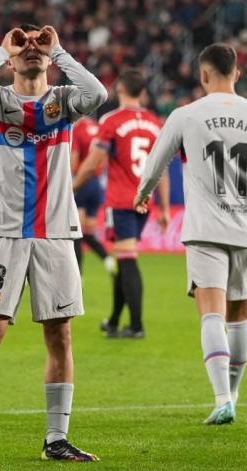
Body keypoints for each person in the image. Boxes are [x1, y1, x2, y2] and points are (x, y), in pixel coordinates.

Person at [0, 24, 106, 461]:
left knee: (61, 335)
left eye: (37, 47)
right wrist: (2, 51)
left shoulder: (62, 101)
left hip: (56, 233)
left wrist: (59, 52)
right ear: (12, 60)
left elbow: (98, 94)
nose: (30, 51)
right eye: (24, 49)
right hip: (6, 234)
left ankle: (55, 439)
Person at [134, 43, 247, 425]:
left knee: (211, 312)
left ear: (203, 75)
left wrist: (142, 195)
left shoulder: (185, 115)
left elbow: (156, 161)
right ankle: (234, 395)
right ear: (237, 73)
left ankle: (222, 397)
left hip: (205, 230)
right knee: (240, 316)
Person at [72, 68, 169, 339]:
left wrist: (72, 187)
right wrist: (162, 207)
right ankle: (114, 321)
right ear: (144, 92)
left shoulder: (112, 120)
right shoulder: (155, 123)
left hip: (121, 200)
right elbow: (161, 168)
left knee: (127, 262)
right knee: (122, 259)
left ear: (119, 90)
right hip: (144, 202)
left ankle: (136, 326)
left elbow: (92, 163)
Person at [70, 115, 113, 273]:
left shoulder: (77, 129)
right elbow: (105, 156)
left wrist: (71, 178)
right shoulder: (98, 127)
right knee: (88, 233)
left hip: (82, 181)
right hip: (96, 183)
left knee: (76, 234)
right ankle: (107, 259)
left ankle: (78, 275)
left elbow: (74, 160)